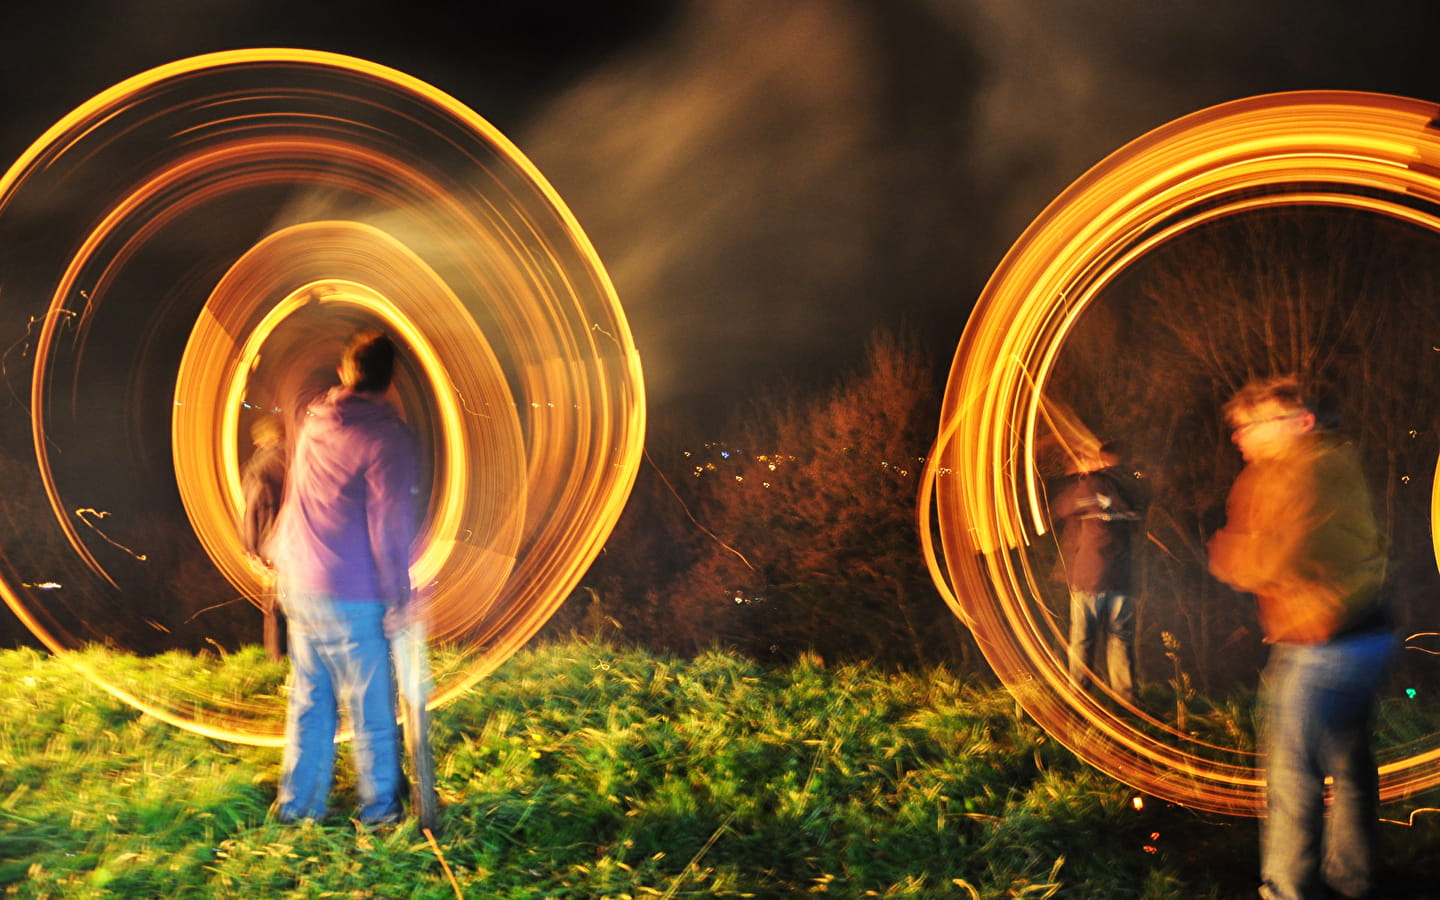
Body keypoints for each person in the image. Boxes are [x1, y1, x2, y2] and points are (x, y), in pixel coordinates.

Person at [1207, 375, 1392, 900]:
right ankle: (1353, 879)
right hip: (1367, 632)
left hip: (1318, 645)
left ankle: (1286, 891)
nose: (1242, 435)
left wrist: (1227, 550)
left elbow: (1266, 559)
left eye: (1254, 424)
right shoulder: (1340, 460)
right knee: (1350, 766)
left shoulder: (1292, 473)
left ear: (1301, 422)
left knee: (1292, 777)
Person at [267, 329, 420, 825]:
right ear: (391, 379)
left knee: (311, 702)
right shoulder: (385, 439)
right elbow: (388, 527)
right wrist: (399, 595)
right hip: (350, 591)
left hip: (298, 579)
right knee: (372, 710)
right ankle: (379, 815)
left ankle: (298, 808)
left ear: (344, 372)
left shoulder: (314, 421)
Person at [1050, 442, 1144, 702]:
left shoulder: (1093, 484)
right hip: (1122, 576)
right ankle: (1127, 700)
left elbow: (1062, 507)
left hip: (1091, 576)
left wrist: (1082, 475)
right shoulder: (1133, 486)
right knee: (1120, 639)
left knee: (1082, 640)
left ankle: (1078, 699)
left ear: (1101, 462)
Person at [240, 415, 288, 661]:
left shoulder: (259, 469)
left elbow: (253, 512)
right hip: (312, 548)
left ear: (259, 442)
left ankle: (278, 666)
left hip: (276, 550)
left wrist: (252, 551)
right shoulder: (307, 459)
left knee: (277, 613)